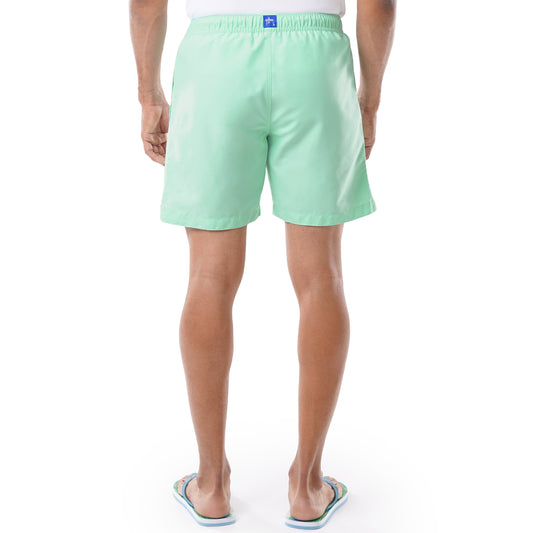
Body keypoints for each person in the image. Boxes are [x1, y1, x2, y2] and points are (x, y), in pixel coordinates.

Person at [130, 0, 395, 528]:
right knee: (322, 278)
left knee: (208, 276)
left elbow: (145, 4)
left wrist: (149, 94)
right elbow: (379, 6)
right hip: (315, 59)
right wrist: (368, 100)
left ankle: (210, 485)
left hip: (215, 57)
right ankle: (308, 487)